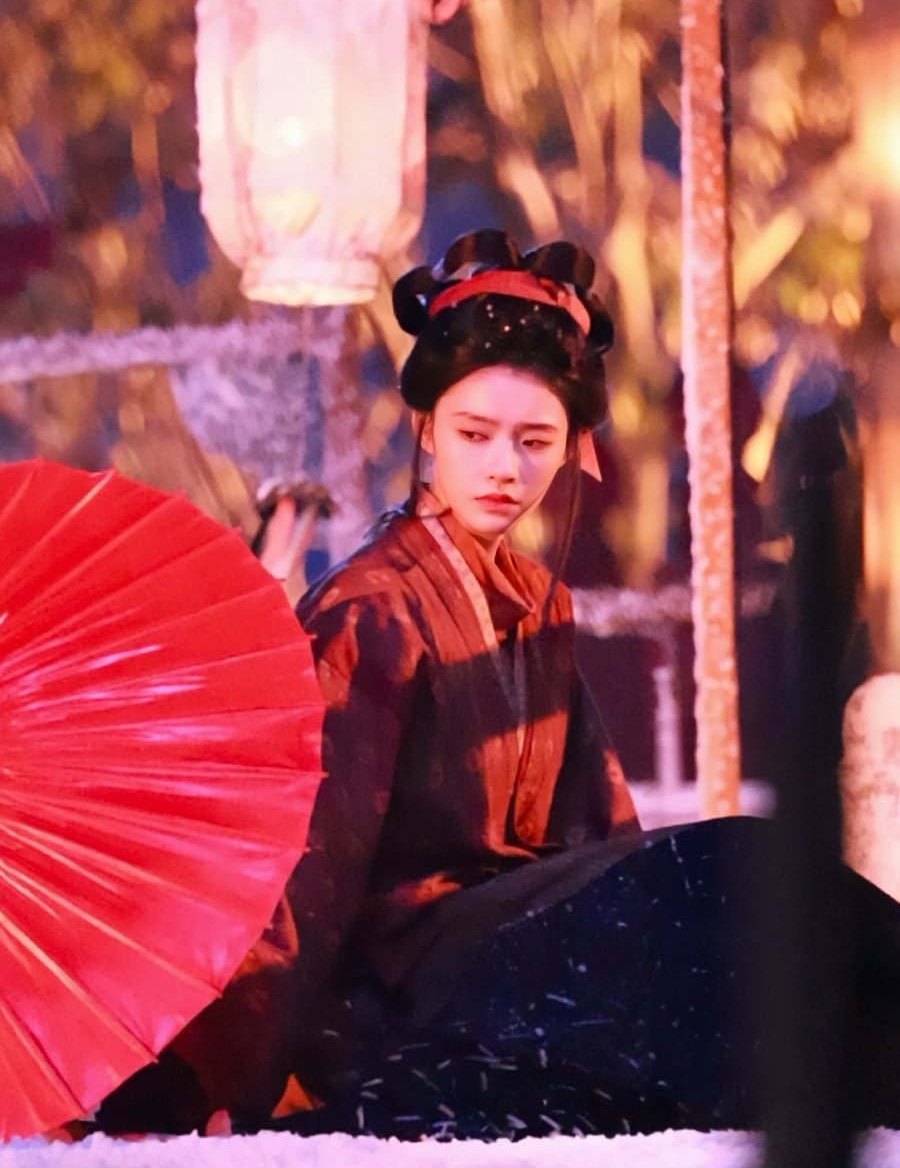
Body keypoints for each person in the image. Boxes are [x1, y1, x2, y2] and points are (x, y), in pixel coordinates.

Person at [98, 228, 900, 1142]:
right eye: (474, 435)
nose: (504, 467)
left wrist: (652, 919)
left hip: (533, 954)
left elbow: (603, 835)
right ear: (427, 429)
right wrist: (203, 1081)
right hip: (405, 996)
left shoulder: (538, 602)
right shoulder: (370, 614)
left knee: (753, 894)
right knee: (732, 877)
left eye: (535, 440)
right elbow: (302, 871)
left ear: (571, 449)